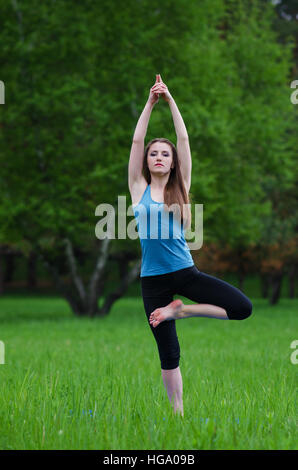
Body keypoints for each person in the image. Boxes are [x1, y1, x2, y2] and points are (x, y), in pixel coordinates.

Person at [128, 74, 253, 417]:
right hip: (153, 282)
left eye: (164, 154)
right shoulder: (138, 188)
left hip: (185, 275)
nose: (157, 157)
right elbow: (137, 140)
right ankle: (177, 415)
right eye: (153, 153)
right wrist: (149, 103)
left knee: (242, 307)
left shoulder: (180, 187)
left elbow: (183, 138)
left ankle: (182, 310)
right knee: (169, 353)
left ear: (172, 162)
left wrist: (169, 100)